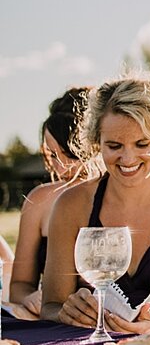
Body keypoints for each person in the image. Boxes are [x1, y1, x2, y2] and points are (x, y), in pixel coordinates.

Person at [42, 72, 150, 332]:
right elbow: (50, 305)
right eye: (114, 146)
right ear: (97, 142)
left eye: (142, 144)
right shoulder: (70, 206)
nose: (128, 158)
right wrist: (65, 312)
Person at [8, 87, 95, 317]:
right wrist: (31, 297)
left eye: (70, 154)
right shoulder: (39, 201)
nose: (60, 167)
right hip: (53, 322)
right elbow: (18, 287)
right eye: (53, 155)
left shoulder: (120, 197)